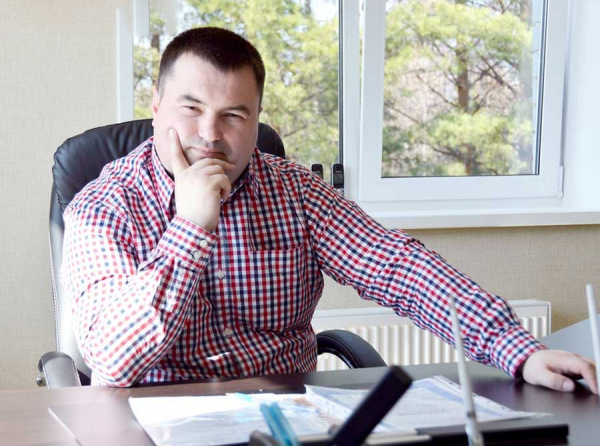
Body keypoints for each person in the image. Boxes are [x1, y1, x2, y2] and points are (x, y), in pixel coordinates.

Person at [62, 27, 597, 391]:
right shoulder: (103, 207)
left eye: (233, 115)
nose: (210, 134)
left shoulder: (294, 192)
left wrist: (517, 349)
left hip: (287, 417)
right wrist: (191, 227)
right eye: (191, 107)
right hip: (152, 422)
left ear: (257, 119)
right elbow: (112, 360)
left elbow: (399, 267)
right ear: (156, 107)